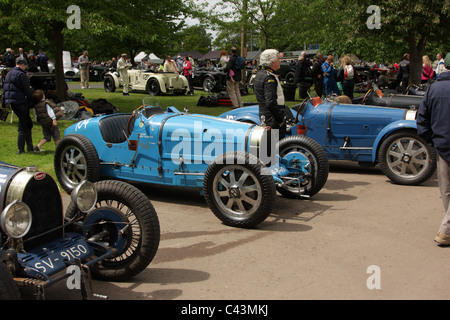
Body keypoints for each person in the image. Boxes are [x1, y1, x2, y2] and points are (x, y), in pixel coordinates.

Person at [417, 52, 450, 246]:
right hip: (442, 143)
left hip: (442, 145)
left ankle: (447, 229)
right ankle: (446, 230)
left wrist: (431, 140)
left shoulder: (433, 89)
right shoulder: (434, 89)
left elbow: (422, 119)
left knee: (446, 190)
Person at [2, 57, 34, 154]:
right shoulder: (21, 74)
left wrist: (3, 103)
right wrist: (32, 100)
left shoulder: (9, 74)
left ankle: (30, 146)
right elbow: (27, 90)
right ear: (22, 64)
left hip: (12, 102)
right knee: (23, 125)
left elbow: (5, 90)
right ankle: (21, 149)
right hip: (21, 102)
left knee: (28, 123)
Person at [253, 49, 287, 142]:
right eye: (278, 59)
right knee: (274, 149)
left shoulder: (260, 74)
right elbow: (270, 101)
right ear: (272, 62)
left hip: (265, 115)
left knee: (267, 149)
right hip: (272, 118)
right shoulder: (269, 77)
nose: (280, 60)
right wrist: (280, 119)